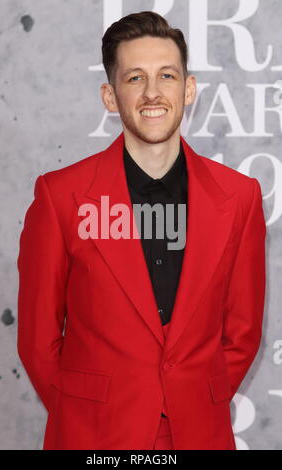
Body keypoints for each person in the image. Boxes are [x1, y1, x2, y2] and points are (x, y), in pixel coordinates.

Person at [17, 11, 266, 450]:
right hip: (94, 436)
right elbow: (38, 341)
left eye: (167, 75)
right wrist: (83, 410)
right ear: (110, 97)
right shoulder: (61, 197)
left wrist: (195, 399)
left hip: (198, 434)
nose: (153, 93)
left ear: (188, 90)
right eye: (135, 78)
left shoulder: (240, 197)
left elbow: (241, 334)